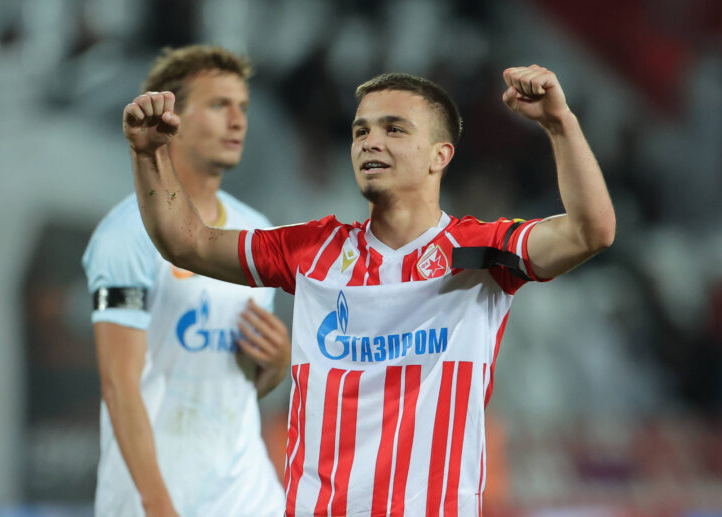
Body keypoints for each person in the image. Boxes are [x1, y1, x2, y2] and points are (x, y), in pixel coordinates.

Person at [123, 65, 616, 515]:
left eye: (394, 129)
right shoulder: (312, 250)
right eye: (361, 131)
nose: (370, 142)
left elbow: (591, 231)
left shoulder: (483, 251)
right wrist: (149, 154)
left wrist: (559, 124)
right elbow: (187, 242)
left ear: (440, 155)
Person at [82, 45, 289, 517]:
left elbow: (227, 388)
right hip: (156, 501)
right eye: (219, 105)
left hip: (247, 498)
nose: (238, 121)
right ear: (172, 118)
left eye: (243, 107)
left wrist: (276, 366)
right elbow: (119, 386)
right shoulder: (124, 235)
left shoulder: (257, 232)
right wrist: (158, 505)